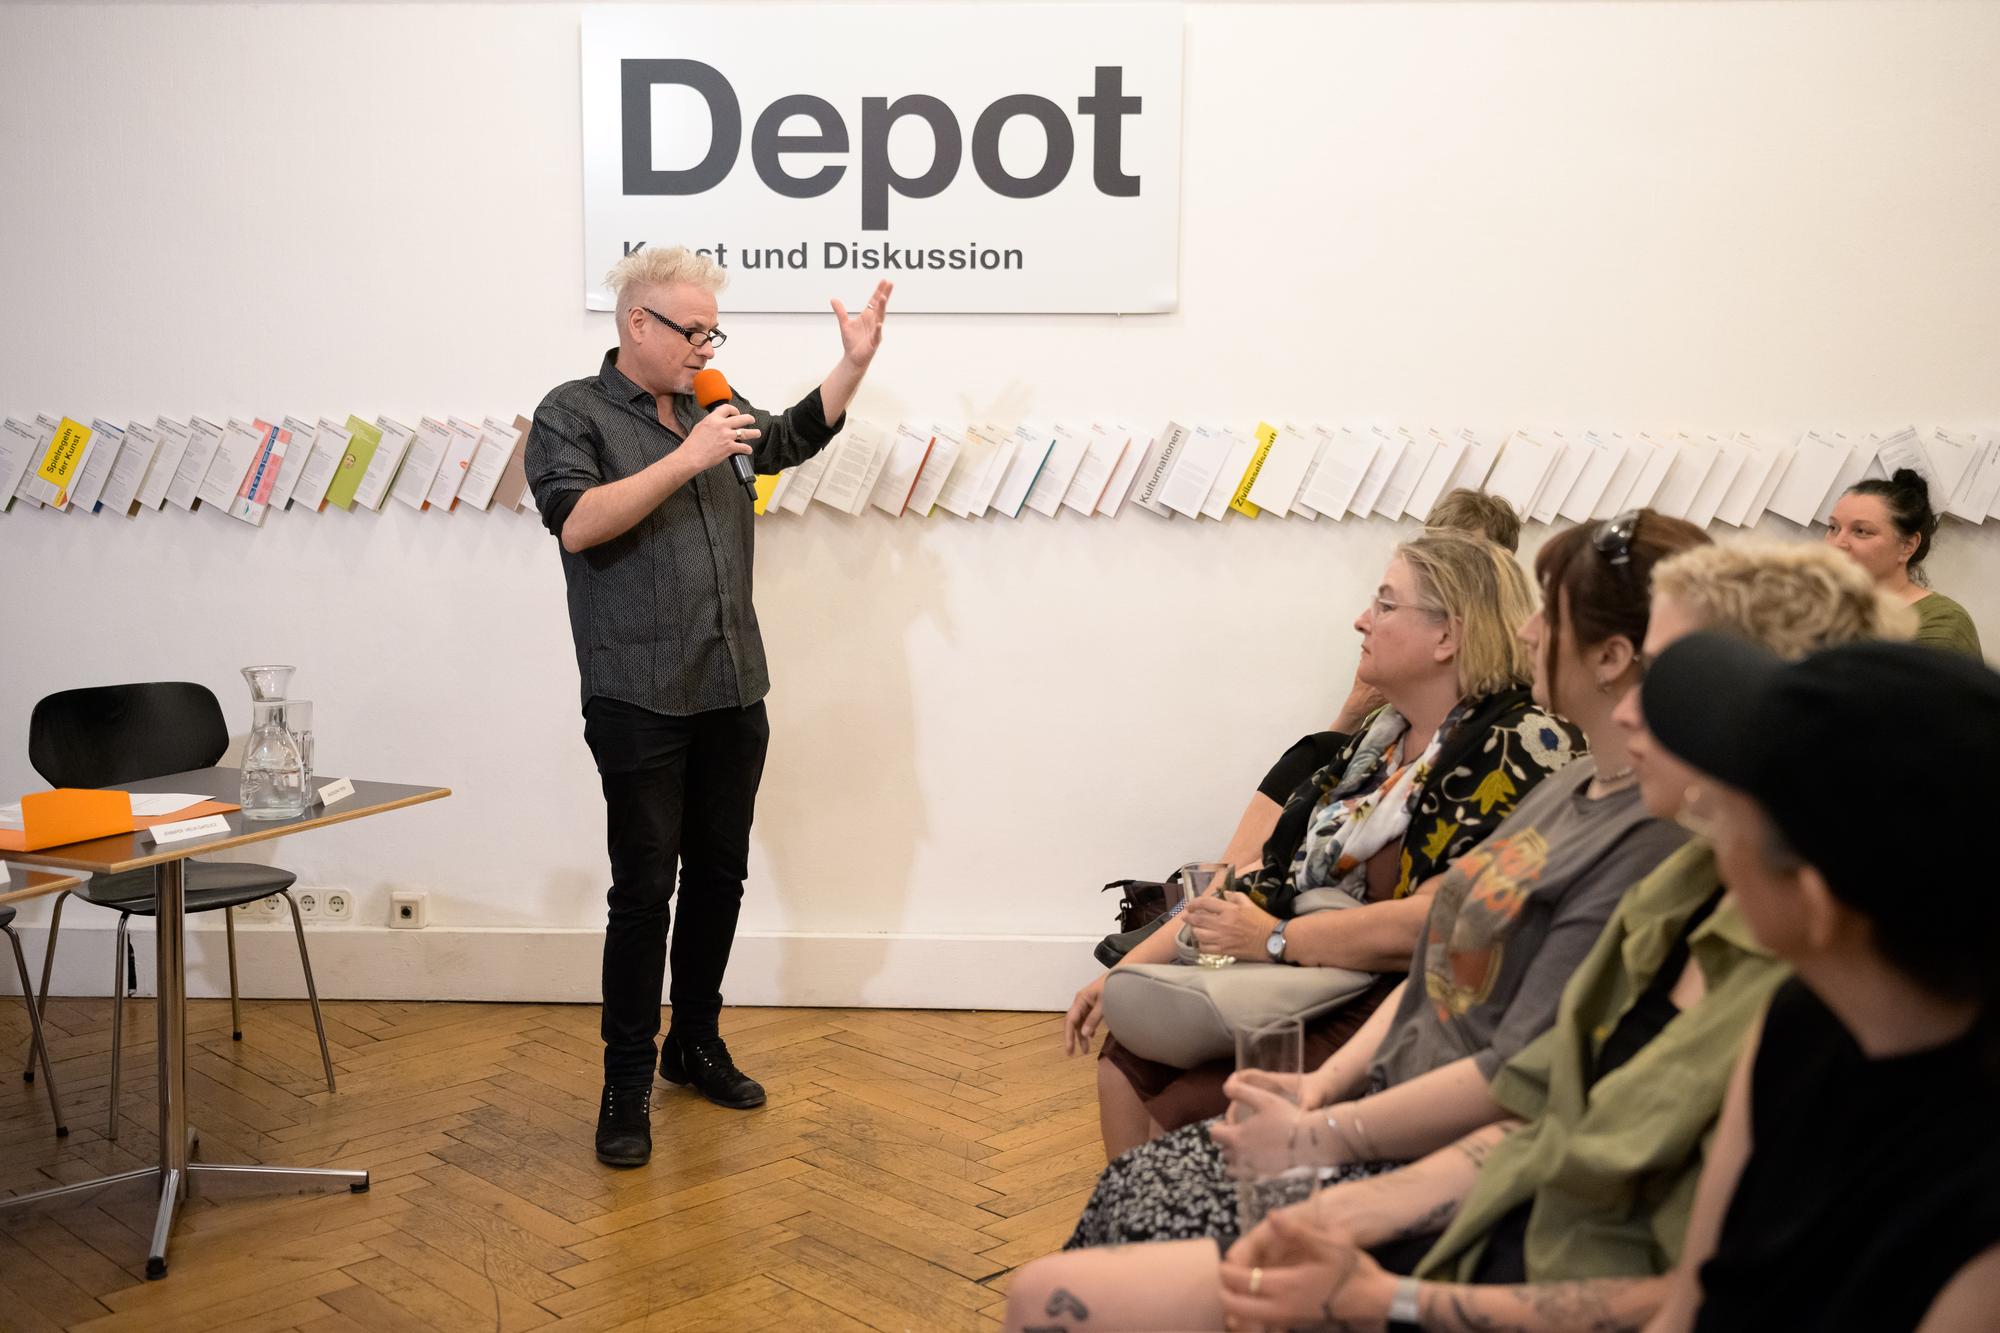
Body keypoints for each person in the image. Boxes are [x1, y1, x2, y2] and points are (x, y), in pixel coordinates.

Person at [1047, 543, 1907, 1333]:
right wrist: (1325, 1125)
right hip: (1459, 1176)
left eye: (1667, 675)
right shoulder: (1656, 865)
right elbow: (1530, 1090)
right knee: (1127, 1184)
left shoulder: (1693, 888)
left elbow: (1667, 1263)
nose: (1529, 631)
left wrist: (1357, 1201)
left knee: (1103, 1259)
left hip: (1482, 1212)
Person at [1030, 512, 1705, 1292]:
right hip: (1379, 1044)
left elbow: (1511, 1069)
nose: (1526, 630)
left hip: (1407, 1081)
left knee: (1114, 1229)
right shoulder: (1515, 774)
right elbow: (1423, 945)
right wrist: (1312, 1088)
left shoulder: (1554, 767)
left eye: (1385, 603)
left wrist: (1324, 1118)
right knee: (1129, 1150)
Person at [524, 245, 892, 1166]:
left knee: (719, 878)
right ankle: (624, 1078)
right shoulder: (572, 412)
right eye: (693, 331)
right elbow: (577, 523)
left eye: (712, 332)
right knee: (644, 891)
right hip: (637, 692)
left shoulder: (712, 405)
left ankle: (694, 1042)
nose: (705, 347)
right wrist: (687, 459)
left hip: (733, 686)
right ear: (636, 323)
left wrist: (852, 364)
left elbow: (791, 438)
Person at [1069, 530, 1578, 1159]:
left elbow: (1439, 927)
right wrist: (1123, 972)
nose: (1362, 620)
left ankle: (1193, 1212)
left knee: (1188, 1110)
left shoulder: (1518, 743)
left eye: (1385, 604)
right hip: (1323, 974)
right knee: (1125, 1057)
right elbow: (1266, 872)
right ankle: (1136, 1218)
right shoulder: (1381, 739)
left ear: (1447, 636)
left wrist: (1275, 939)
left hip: (1412, 996)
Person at [1640, 636, 2000, 1330]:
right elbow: (1687, 1310)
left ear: (1814, 901)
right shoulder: (1801, 1019)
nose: (1713, 837)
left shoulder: (1980, 1232)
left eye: (1721, 814)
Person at [1217, 491, 1525, 870]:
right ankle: (1216, 884)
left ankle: (1221, 887)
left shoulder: (1509, 694)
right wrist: (1352, 711)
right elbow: (1349, 757)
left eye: (1462, 560)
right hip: (1371, 766)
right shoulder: (1399, 649)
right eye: (1436, 553)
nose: (1364, 622)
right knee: (1316, 750)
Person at [1826, 467, 1982, 657]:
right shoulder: (1821, 606)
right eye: (1833, 528)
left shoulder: (1942, 622)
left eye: (1861, 531)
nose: (1838, 543)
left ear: (1907, 546)